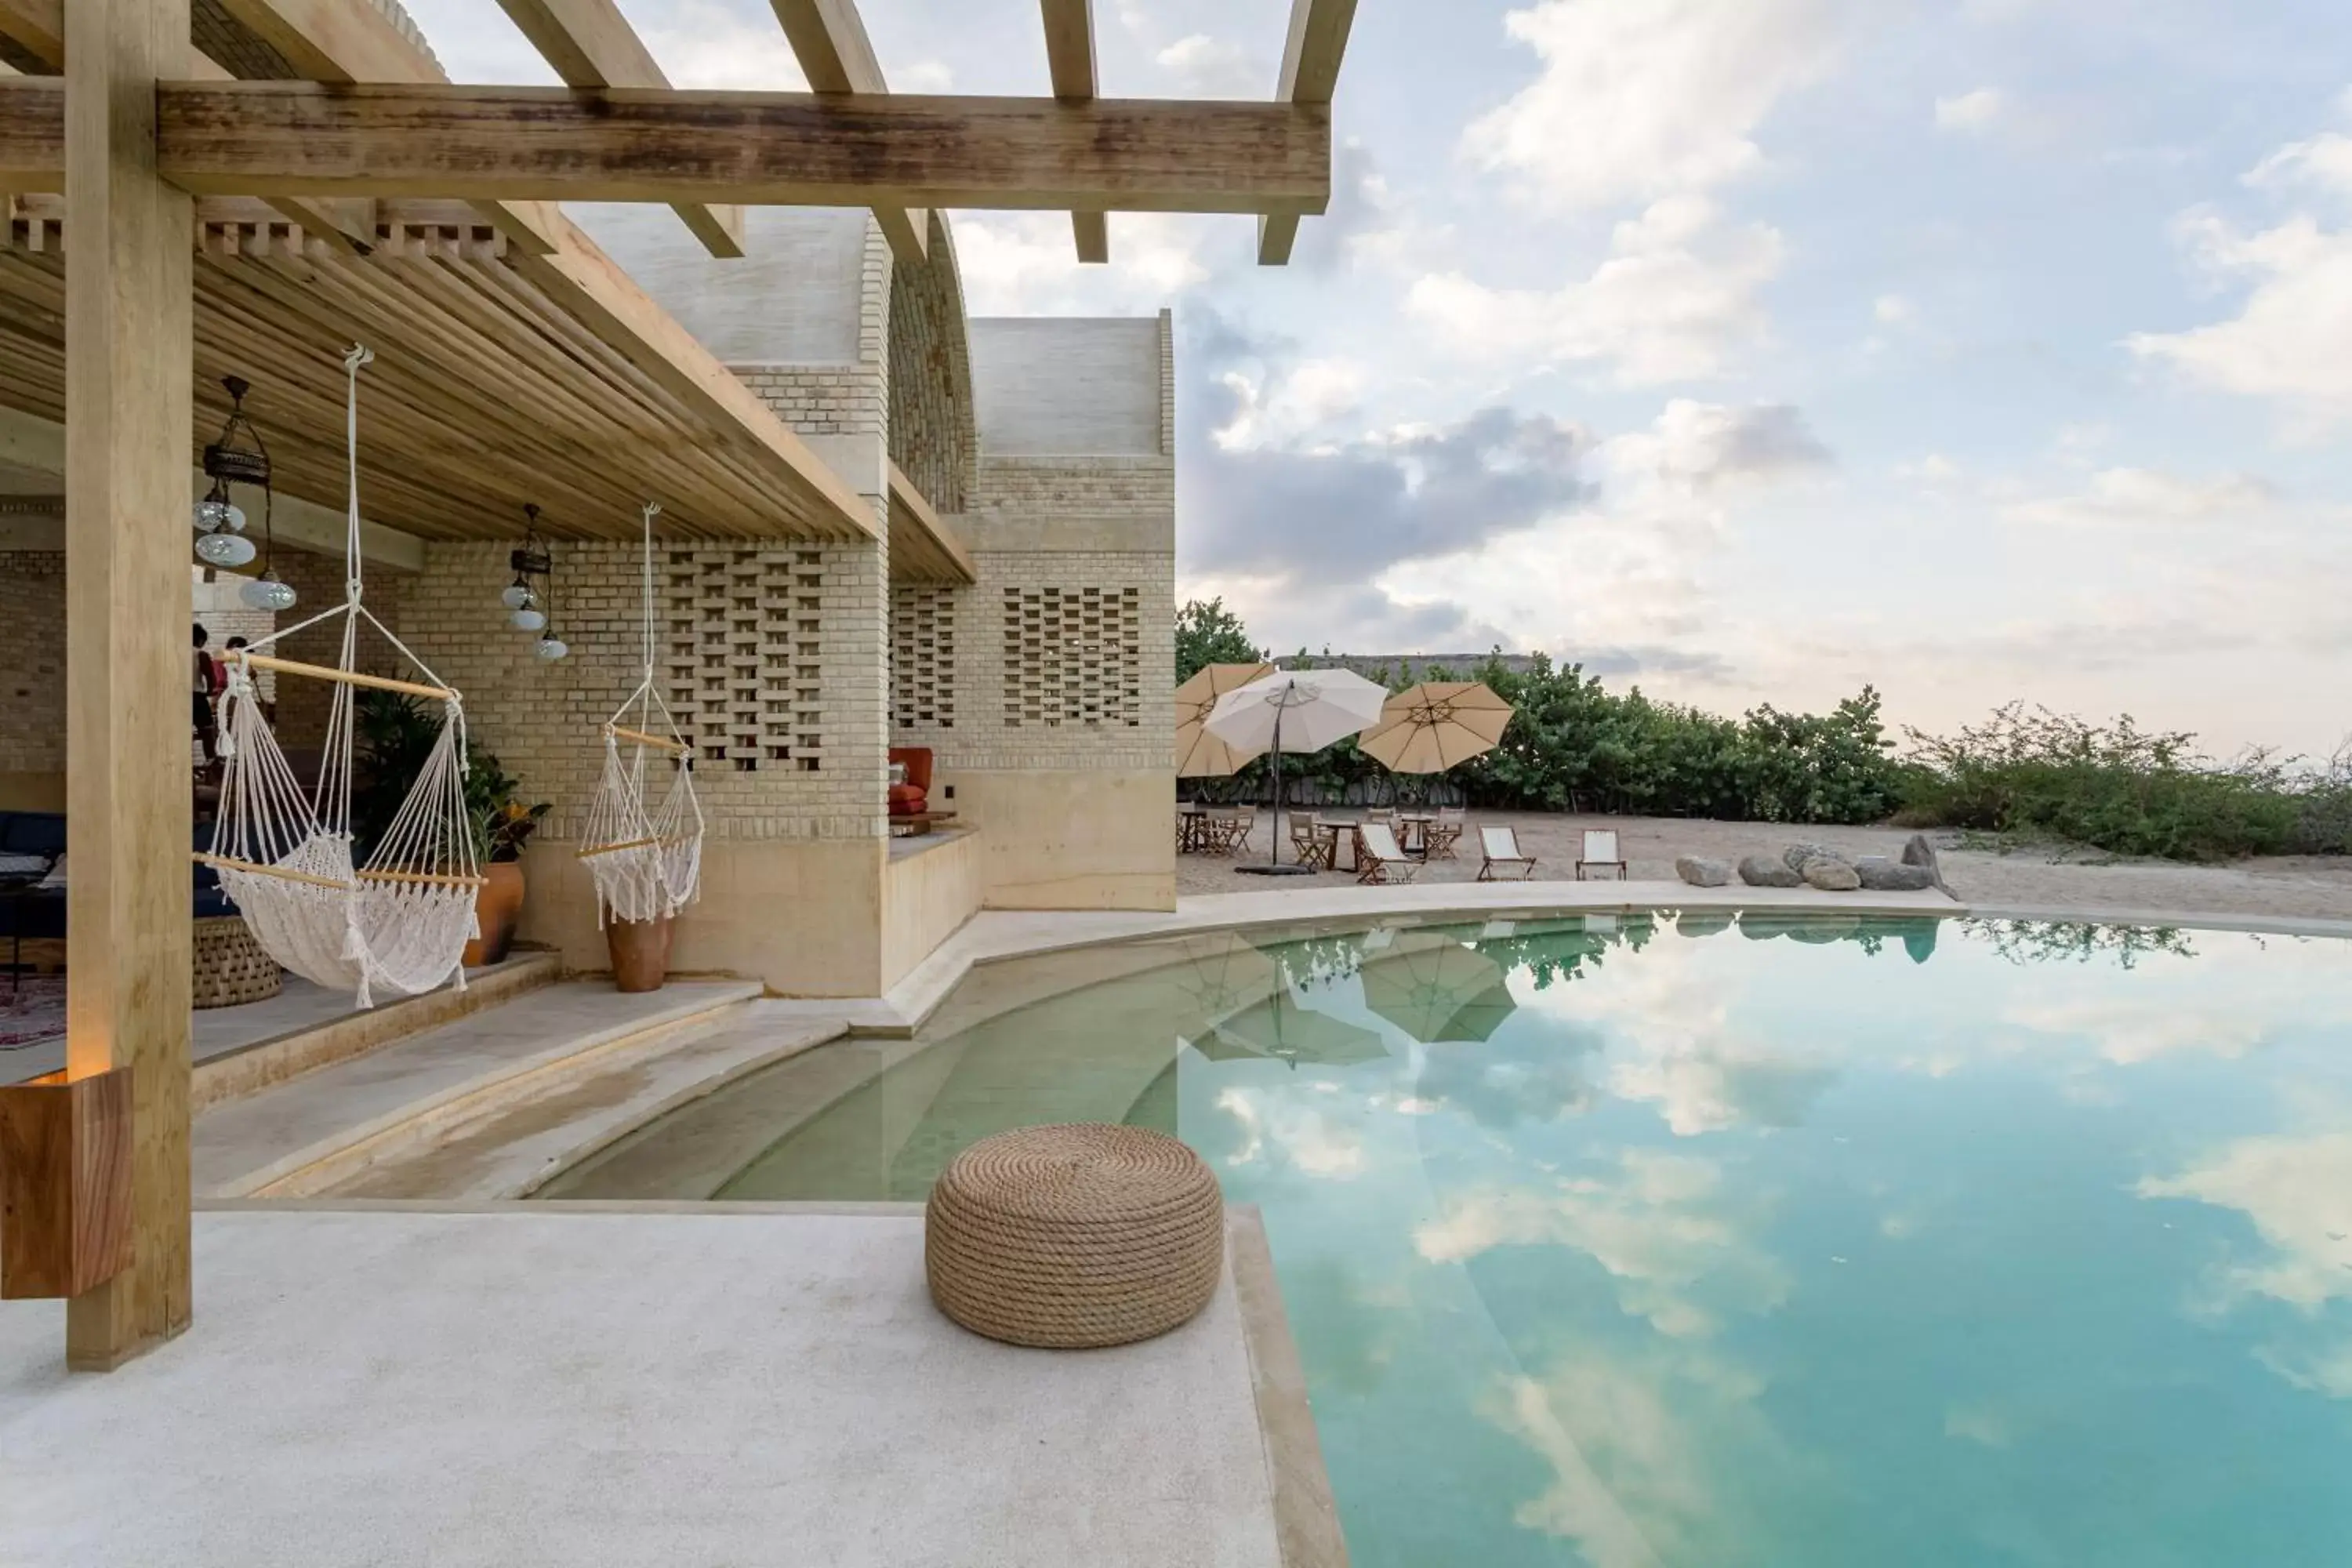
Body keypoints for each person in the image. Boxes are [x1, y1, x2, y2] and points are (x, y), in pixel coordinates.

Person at [193, 623, 223, 765]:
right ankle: (210, 759)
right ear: (200, 640)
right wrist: (210, 691)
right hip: (196, 697)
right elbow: (211, 676)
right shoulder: (200, 654)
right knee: (207, 730)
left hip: (176, 698)